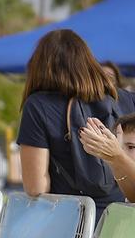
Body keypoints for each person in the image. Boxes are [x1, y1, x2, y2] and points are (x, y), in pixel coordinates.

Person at [17, 29, 125, 208]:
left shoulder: (38, 106)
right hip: (120, 221)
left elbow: (36, 186)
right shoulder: (120, 100)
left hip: (71, 224)